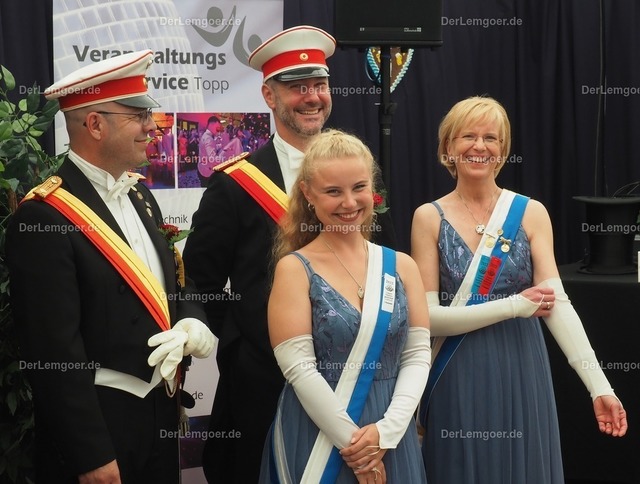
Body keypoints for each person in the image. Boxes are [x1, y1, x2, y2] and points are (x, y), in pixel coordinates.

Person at [182, 26, 396, 483]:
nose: (312, 97)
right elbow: (200, 282)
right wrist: (243, 343)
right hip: (265, 385)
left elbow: (386, 265)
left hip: (355, 376)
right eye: (298, 87)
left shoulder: (359, 175)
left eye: (319, 84)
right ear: (269, 95)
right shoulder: (234, 185)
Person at [6, 50, 215, 484]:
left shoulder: (141, 196)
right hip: (101, 427)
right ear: (95, 125)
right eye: (138, 115)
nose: (151, 127)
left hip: (160, 413)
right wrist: (91, 456)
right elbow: (51, 353)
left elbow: (176, 283)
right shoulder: (43, 217)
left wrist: (192, 321)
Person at [410, 96, 628, 483]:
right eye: (468, 136)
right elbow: (428, 319)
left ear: (503, 149)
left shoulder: (530, 212)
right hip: (457, 370)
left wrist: (600, 387)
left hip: (522, 365)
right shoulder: (428, 217)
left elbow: (557, 304)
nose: (479, 146)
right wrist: (513, 306)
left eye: (491, 138)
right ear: (448, 147)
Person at [259, 129, 430, 483]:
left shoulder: (402, 266)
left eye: (359, 187)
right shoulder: (294, 269)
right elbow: (299, 369)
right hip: (322, 434)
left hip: (390, 433)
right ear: (308, 194)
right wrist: (358, 450)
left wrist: (387, 432)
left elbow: (416, 355)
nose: (349, 203)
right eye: (333, 191)